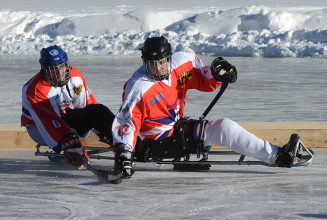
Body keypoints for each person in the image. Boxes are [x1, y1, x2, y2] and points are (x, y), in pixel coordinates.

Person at [111, 36, 302, 180]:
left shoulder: (181, 64)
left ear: (169, 58)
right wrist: (124, 154)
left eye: (162, 62)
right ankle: (278, 156)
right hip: (160, 142)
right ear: (145, 62)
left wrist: (218, 73)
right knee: (224, 128)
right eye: (152, 64)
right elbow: (126, 122)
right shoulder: (138, 88)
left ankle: (278, 154)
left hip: (177, 128)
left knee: (222, 128)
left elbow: (203, 77)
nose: (158, 68)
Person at [21, 45, 115, 169]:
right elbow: (51, 121)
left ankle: (122, 140)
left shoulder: (75, 75)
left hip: (62, 116)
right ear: (44, 69)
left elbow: (88, 107)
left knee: (98, 111)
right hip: (37, 126)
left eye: (62, 66)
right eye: (54, 69)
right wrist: (70, 144)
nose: (60, 72)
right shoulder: (35, 89)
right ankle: (66, 143)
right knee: (63, 131)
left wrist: (106, 132)